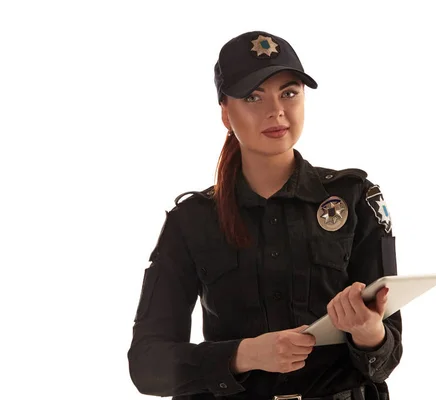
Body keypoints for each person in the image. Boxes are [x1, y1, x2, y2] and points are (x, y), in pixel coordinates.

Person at [127, 31, 403, 400]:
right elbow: (147, 367)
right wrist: (245, 354)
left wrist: (369, 333)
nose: (276, 111)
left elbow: (387, 358)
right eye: (253, 97)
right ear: (225, 113)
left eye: (289, 93)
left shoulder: (354, 198)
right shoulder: (190, 221)